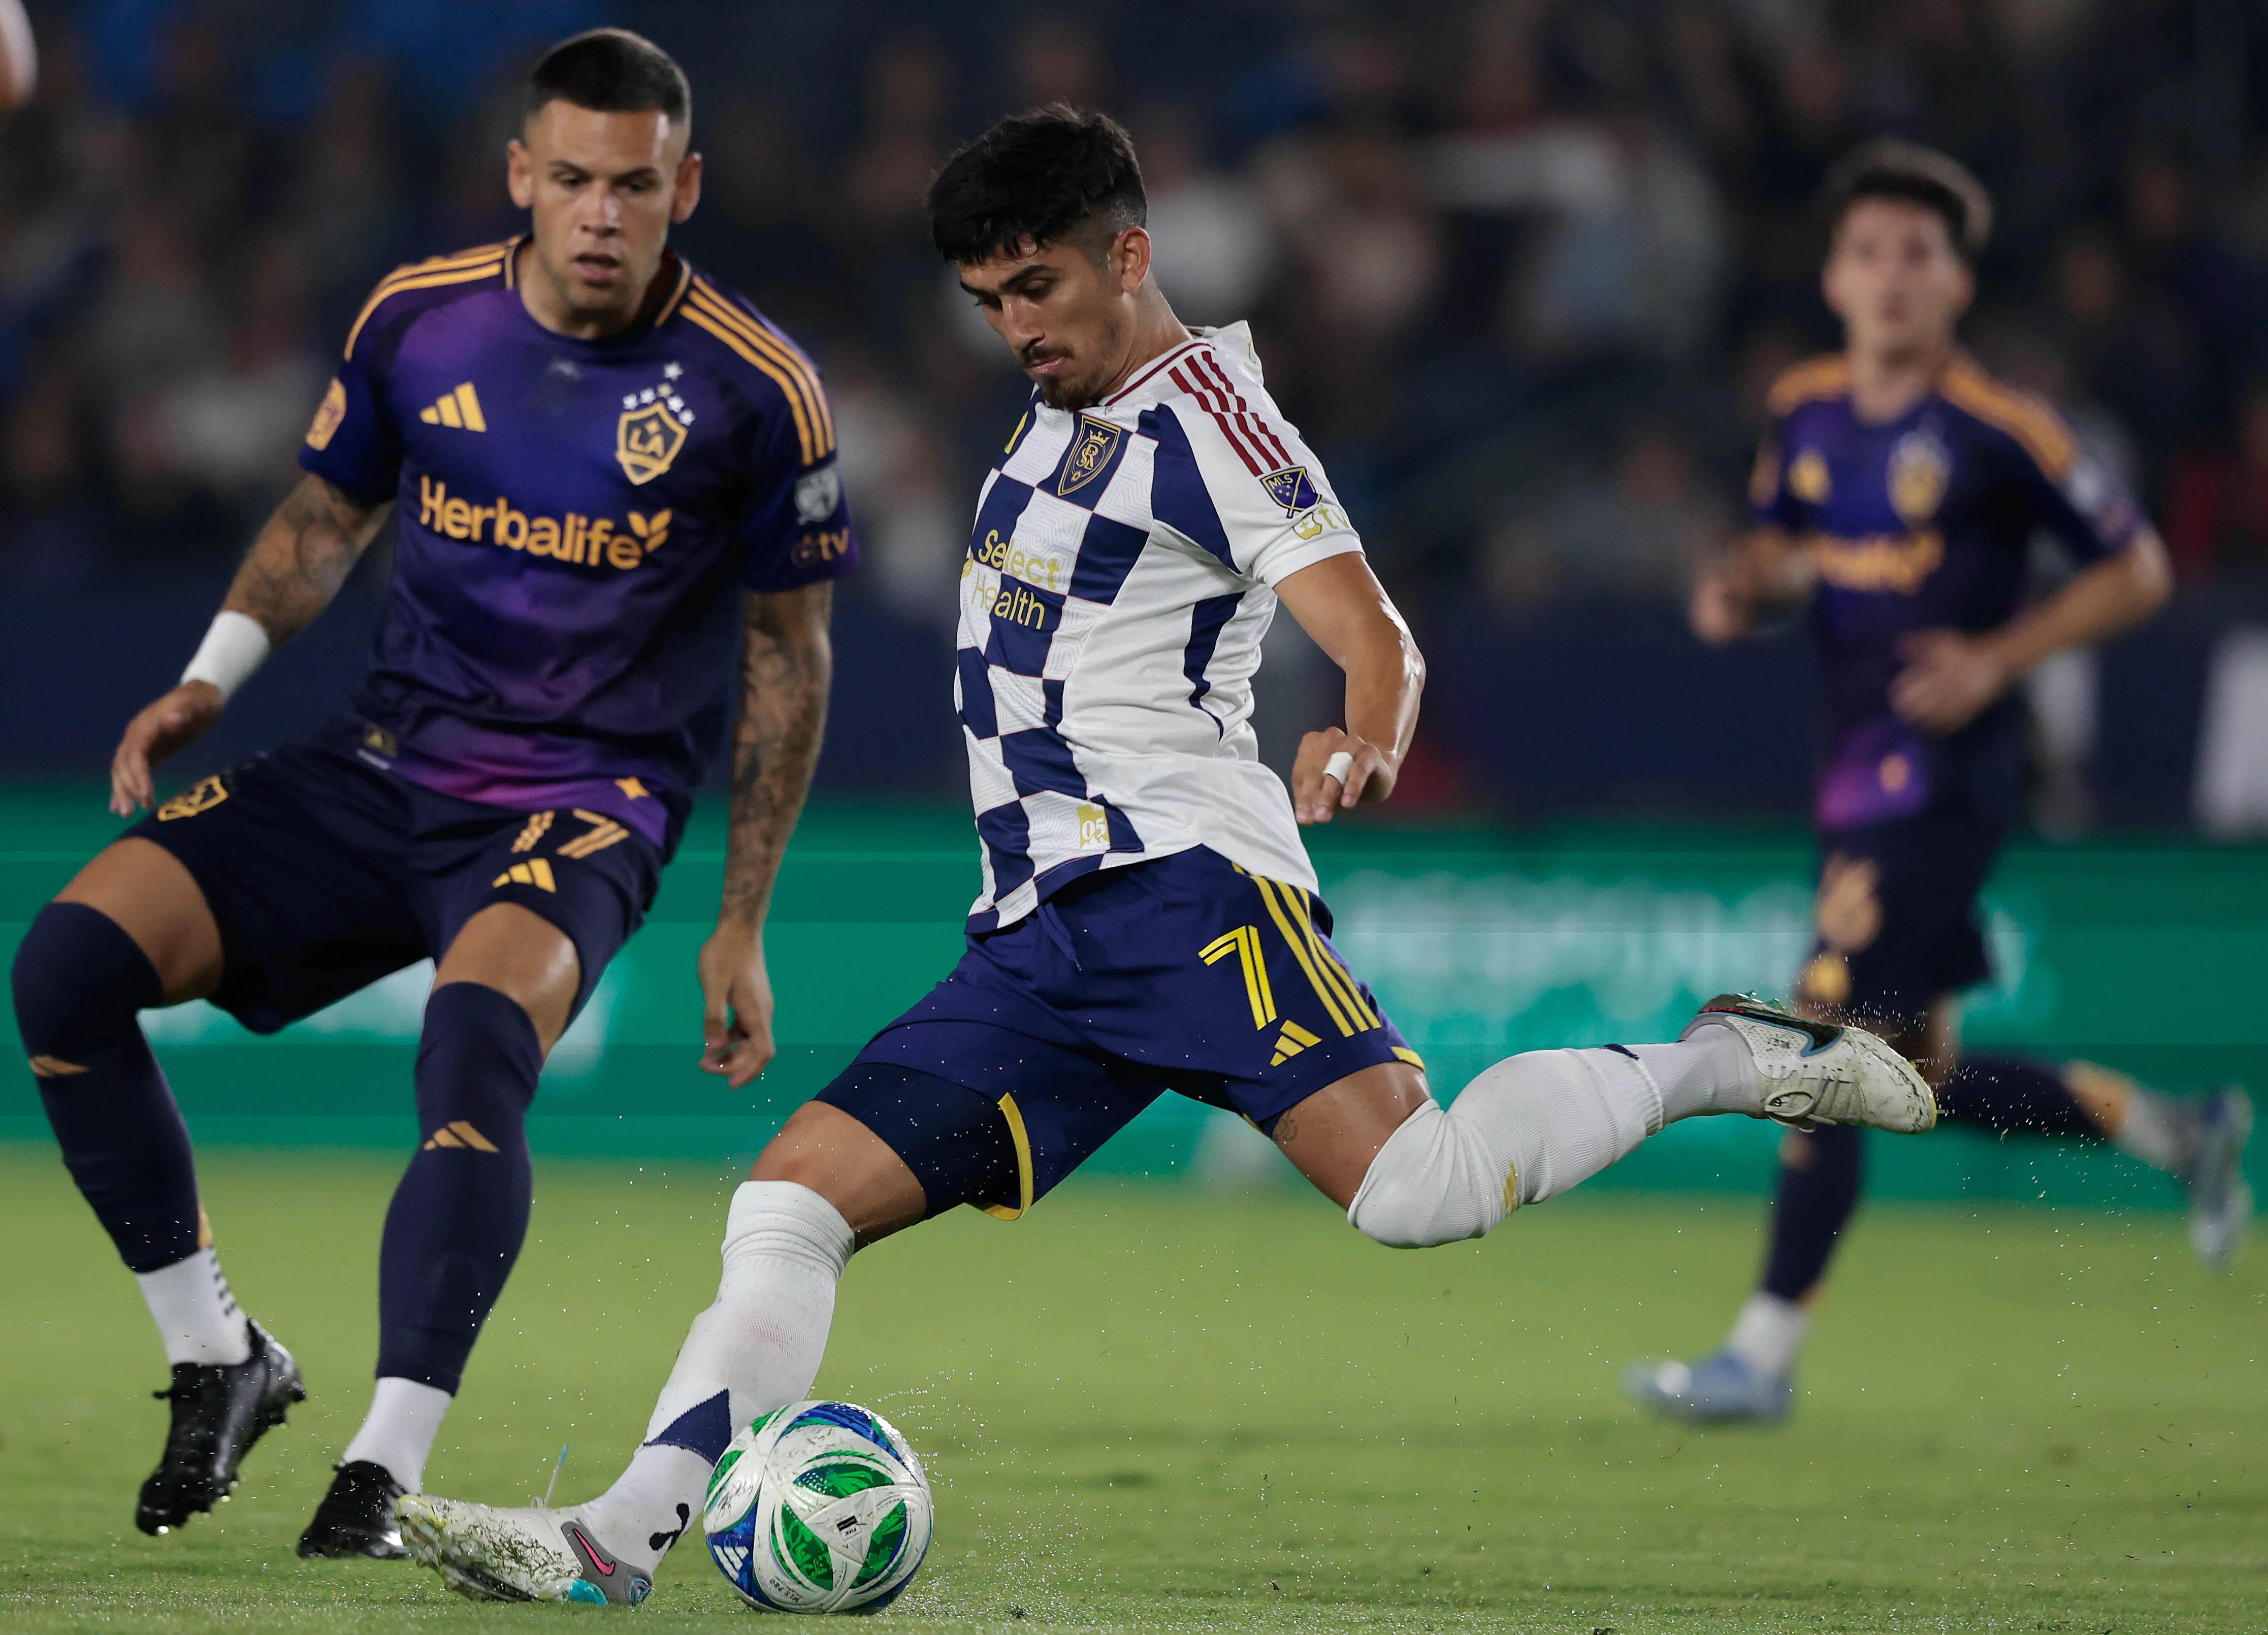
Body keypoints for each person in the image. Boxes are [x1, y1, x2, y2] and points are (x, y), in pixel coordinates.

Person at [392, 106, 1938, 1609]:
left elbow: (1369, 626)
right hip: (1040, 940)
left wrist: (1365, 732)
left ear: (1129, 253)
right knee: (789, 1202)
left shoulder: (1214, 419)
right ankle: (612, 1540)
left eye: (1039, 287)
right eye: (989, 299)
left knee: (1422, 1190)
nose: (1016, 325)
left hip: (1181, 886)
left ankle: (1724, 1058)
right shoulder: (1063, 409)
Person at [9, 30, 854, 1554]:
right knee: (65, 967)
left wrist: (743, 919)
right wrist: (213, 672)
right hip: (382, 764)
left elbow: (791, 655)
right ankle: (220, 1355)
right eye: (576, 180)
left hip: (583, 806)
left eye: (637, 185)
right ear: (522, 175)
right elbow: (329, 512)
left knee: (474, 1049)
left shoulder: (757, 390)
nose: (603, 213)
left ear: (688, 188)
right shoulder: (421, 320)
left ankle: (377, 1473)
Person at [1626, 141, 2251, 1428]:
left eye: (1920, 253)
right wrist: (1739, 590)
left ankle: (1759, 1353)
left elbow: (2135, 570)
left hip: (1945, 775)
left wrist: (1998, 655)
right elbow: (1789, 558)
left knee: (1813, 1037)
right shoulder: (1800, 405)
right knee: (1910, 1075)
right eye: (1870, 251)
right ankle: (2175, 1128)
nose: (1892, 275)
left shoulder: (1998, 425)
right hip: (1849, 773)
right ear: (1836, 277)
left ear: (1958, 282)